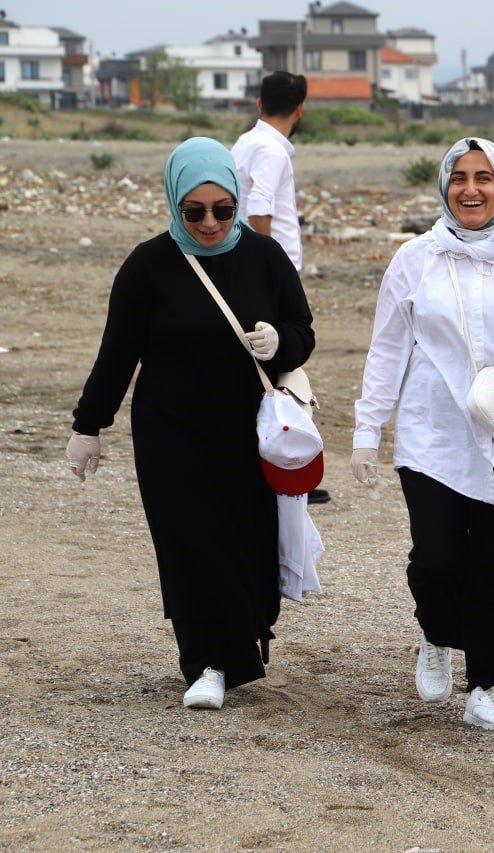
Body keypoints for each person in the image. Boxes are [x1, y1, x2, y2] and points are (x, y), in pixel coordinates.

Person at [66, 137, 316, 711]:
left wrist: (281, 343)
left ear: (236, 202)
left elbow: (302, 330)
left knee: (248, 541)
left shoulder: (264, 258)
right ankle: (205, 662)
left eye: (223, 210)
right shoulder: (147, 266)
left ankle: (244, 636)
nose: (209, 223)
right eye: (194, 211)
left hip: (248, 431)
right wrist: (88, 425)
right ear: (174, 203)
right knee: (189, 543)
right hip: (169, 432)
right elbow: (117, 354)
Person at [350, 137, 494, 732]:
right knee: (438, 563)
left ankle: (489, 688)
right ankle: (436, 630)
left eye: (484, 179)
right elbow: (388, 348)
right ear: (444, 185)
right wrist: (368, 429)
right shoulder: (415, 259)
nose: (470, 189)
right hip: (435, 435)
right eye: (459, 177)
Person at [231, 70, 328, 505]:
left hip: (250, 267)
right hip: (271, 273)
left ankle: (275, 463)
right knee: (281, 366)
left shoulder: (247, 143)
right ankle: (285, 465)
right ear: (301, 108)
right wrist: (265, 266)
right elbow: (259, 207)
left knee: (261, 367)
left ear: (258, 103)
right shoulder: (271, 149)